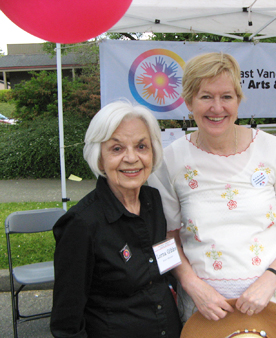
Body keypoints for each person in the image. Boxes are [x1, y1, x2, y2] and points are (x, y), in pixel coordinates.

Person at [148, 52, 276, 323]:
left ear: (238, 100)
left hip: (272, 302)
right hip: (205, 309)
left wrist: (272, 279)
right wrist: (191, 285)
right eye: (205, 97)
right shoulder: (170, 161)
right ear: (189, 101)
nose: (217, 107)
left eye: (226, 96)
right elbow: (165, 239)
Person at [50, 100, 182, 338]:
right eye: (117, 148)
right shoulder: (81, 224)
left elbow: (164, 265)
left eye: (141, 146)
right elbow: (66, 322)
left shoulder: (153, 200)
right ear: (99, 158)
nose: (132, 158)